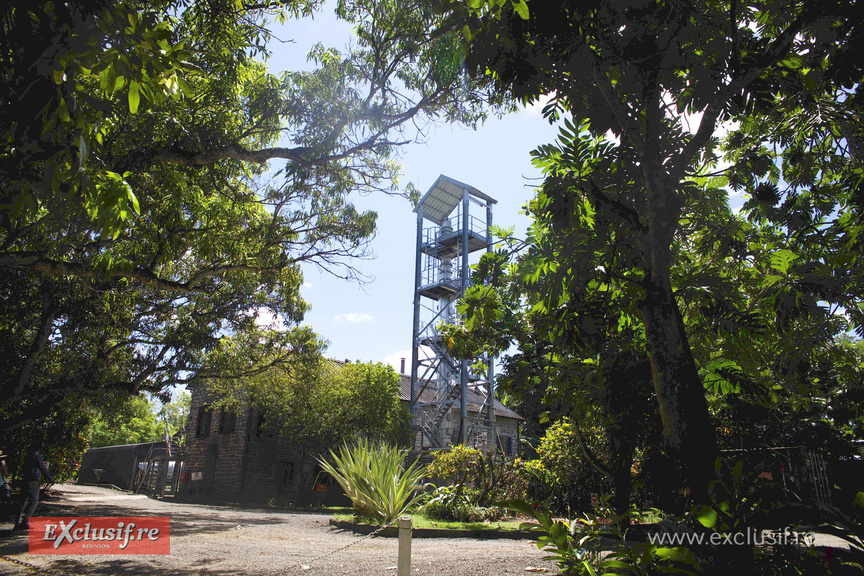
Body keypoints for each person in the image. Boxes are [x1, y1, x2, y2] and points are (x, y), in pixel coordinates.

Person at [15, 448, 53, 530]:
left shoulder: (28, 455)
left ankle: (17, 521)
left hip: (25, 478)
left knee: (23, 500)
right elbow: (41, 467)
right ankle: (25, 521)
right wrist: (49, 478)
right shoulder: (37, 455)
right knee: (34, 500)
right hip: (33, 480)